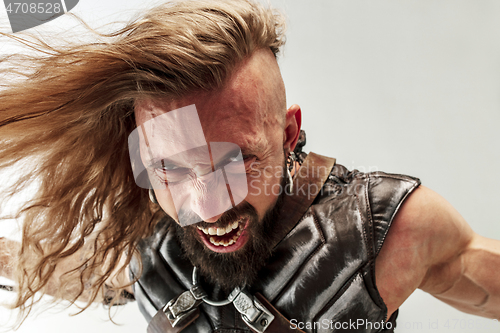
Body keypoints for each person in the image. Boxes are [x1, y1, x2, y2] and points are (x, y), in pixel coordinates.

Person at [0, 0, 499, 332]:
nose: (207, 208)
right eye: (170, 168)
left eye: (235, 161)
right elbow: (47, 270)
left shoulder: (387, 231)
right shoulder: (143, 243)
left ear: (287, 133)